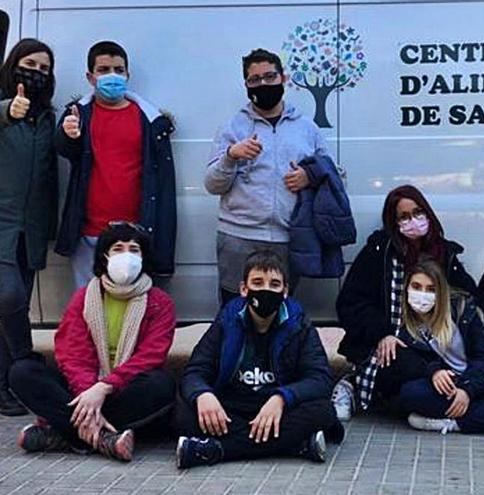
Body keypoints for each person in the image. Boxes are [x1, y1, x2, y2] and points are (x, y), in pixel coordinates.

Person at [332, 185, 484, 420]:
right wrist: (381, 333)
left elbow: (474, 300)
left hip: (437, 345)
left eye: (417, 212)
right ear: (393, 222)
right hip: (394, 345)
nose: (413, 221)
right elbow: (350, 303)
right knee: (402, 374)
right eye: (403, 217)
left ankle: (460, 406)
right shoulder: (379, 252)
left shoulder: (444, 254)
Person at [8, 223, 177, 462]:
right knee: (22, 371)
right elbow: (72, 352)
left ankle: (65, 433)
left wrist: (103, 387)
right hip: (83, 390)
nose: (126, 256)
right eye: (118, 249)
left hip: (122, 389)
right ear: (105, 256)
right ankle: (103, 437)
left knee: (161, 385)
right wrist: (88, 392)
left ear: (144, 256)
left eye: (134, 249)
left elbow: (150, 357)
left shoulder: (160, 303)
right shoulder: (84, 297)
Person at [176, 250, 342, 469]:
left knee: (323, 411)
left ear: (285, 291)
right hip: (232, 406)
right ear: (244, 289)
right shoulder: (227, 320)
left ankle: (215, 449)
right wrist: (203, 394)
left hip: (279, 409)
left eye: (274, 284)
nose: (266, 290)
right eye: (257, 282)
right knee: (183, 411)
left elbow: (320, 378)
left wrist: (282, 398)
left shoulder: (298, 324)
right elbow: (195, 370)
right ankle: (294, 445)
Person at [204, 48, 337, 304]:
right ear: (246, 84)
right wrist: (231, 155)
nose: (263, 84)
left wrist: (308, 177)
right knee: (235, 311)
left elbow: (332, 175)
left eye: (269, 76)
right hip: (239, 238)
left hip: (290, 237)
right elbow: (212, 184)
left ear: (283, 79)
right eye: (255, 80)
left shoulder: (307, 128)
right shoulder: (232, 127)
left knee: (281, 313)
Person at [55, 40, 177, 289]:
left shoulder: (150, 121)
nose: (112, 76)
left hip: (136, 237)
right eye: (103, 70)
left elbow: (164, 187)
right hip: (89, 234)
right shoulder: (78, 115)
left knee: (133, 314)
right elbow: (63, 149)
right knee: (89, 311)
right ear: (90, 77)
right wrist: (68, 134)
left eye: (118, 70)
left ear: (127, 74)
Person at [389, 259, 484, 435]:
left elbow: (482, 356)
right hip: (447, 386)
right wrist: (434, 371)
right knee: (411, 394)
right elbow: (412, 363)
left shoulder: (463, 308)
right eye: (416, 287)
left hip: (481, 378)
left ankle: (458, 423)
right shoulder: (402, 324)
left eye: (431, 289)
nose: (423, 295)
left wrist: (467, 390)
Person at [0, 38, 58, 416]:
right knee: (9, 298)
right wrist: (7, 111)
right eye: (29, 64)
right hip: (1, 226)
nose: (35, 72)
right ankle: (22, 364)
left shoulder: (49, 117)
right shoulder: (7, 109)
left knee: (10, 307)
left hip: (32, 231)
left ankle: (11, 385)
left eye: (43, 68)